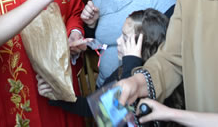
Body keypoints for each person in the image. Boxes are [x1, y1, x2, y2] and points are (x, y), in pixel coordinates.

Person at [37, 9, 183, 118]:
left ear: (143, 46)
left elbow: (122, 112)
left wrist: (131, 63)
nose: (118, 41)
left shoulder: (160, 78)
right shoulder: (122, 70)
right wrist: (56, 94)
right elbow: (95, 108)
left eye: (126, 38)